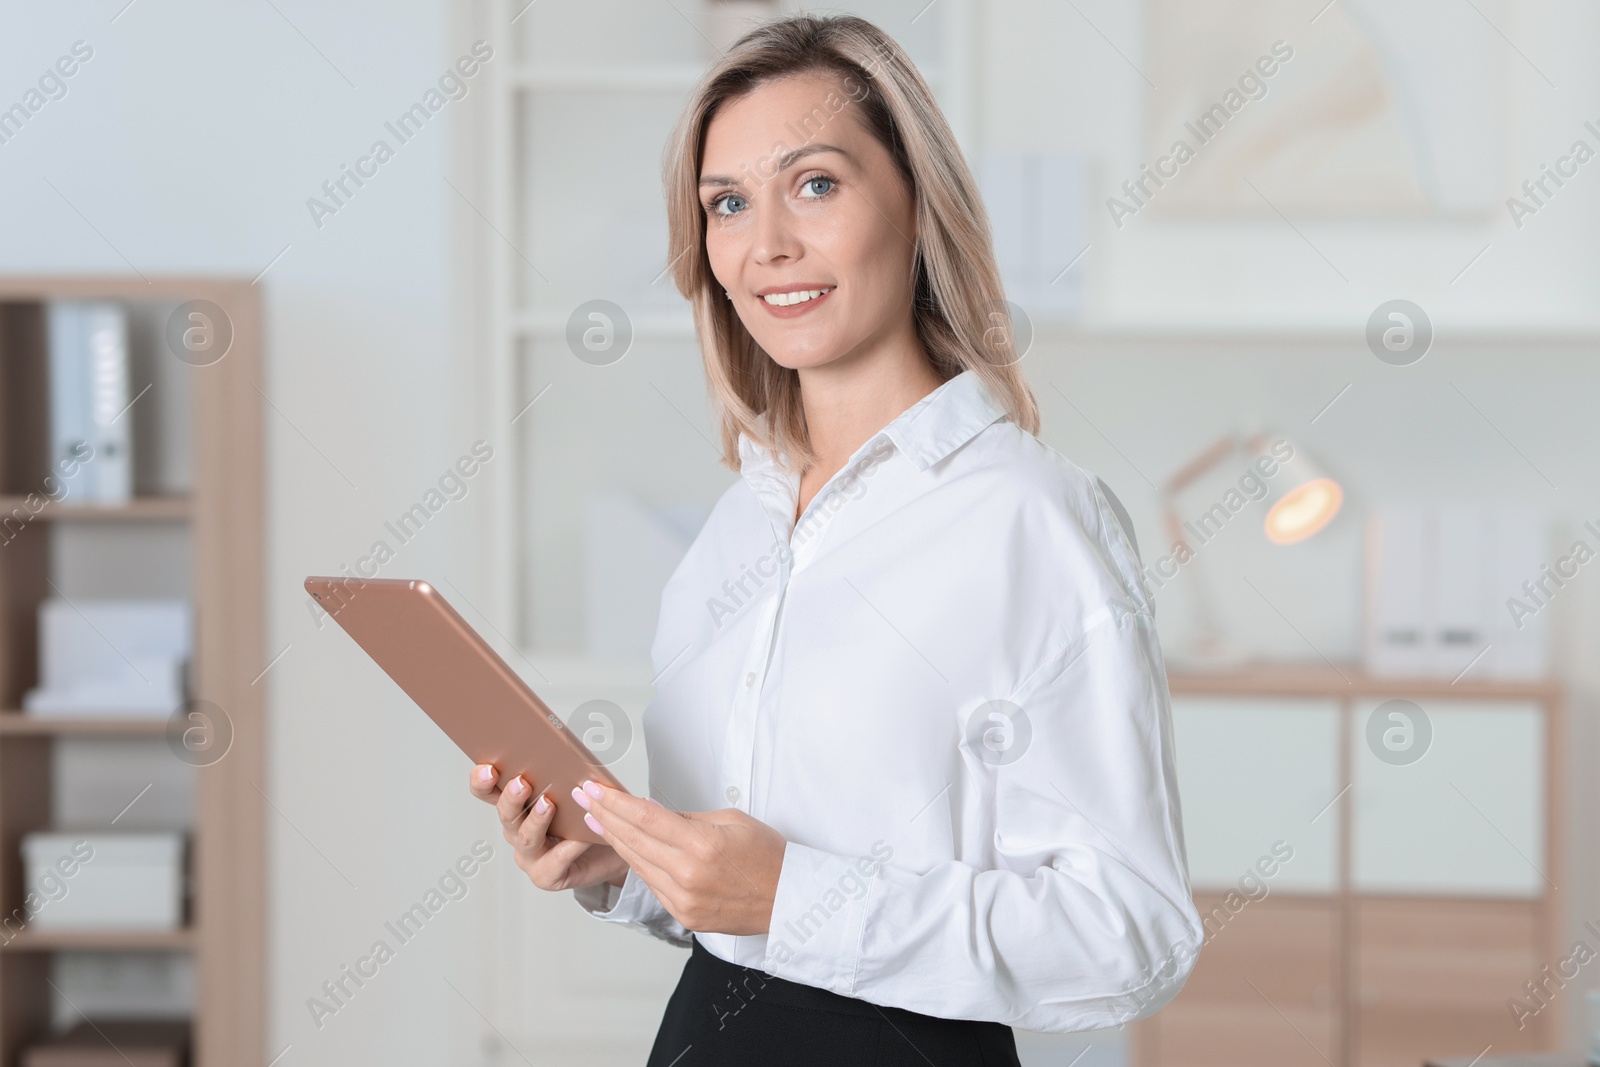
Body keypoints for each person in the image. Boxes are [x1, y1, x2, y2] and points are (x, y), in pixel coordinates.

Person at [470, 13, 1203, 1064]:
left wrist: (795, 894)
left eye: (814, 184)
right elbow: (735, 898)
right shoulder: (738, 526)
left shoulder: (1029, 519)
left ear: (914, 206)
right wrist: (626, 868)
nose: (767, 242)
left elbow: (1131, 934)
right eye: (727, 202)